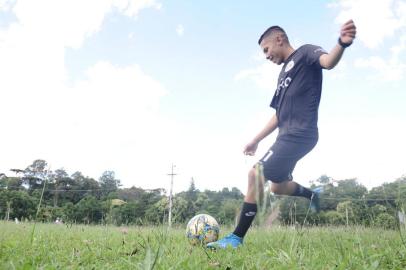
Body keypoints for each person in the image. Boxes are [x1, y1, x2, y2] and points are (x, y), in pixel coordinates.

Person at [207, 20, 357, 249]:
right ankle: (312, 195)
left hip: (300, 133)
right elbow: (279, 114)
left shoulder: (306, 53)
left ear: (279, 39)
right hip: (286, 137)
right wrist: (256, 139)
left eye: (266, 50)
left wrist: (341, 44)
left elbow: (328, 62)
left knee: (255, 174)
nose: (266, 56)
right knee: (277, 187)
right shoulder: (281, 76)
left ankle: (236, 238)